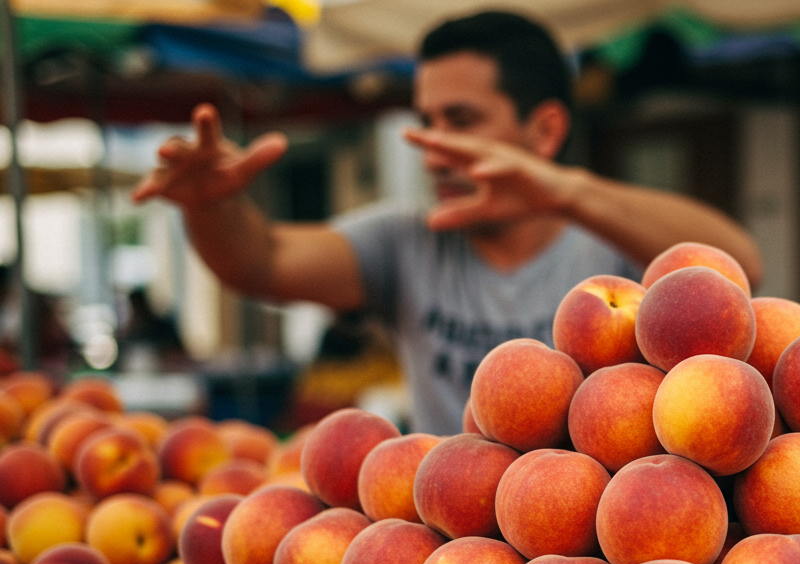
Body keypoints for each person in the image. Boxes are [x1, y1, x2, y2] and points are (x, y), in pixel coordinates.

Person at [132, 10, 763, 435]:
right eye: (427, 121)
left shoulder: (613, 243)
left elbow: (738, 267)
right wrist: (210, 206)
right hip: (450, 547)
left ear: (544, 130)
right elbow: (261, 262)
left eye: (460, 121)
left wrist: (564, 192)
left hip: (602, 545)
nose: (433, 147)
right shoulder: (407, 241)